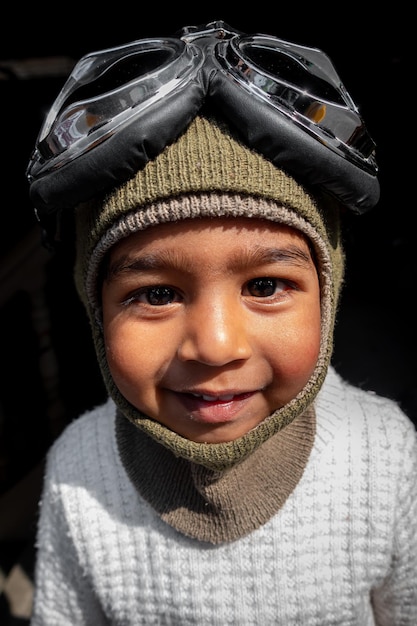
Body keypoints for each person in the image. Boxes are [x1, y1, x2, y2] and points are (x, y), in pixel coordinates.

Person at [26, 21, 417, 625]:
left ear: (330, 293)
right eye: (155, 293)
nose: (215, 346)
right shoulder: (78, 471)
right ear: (93, 305)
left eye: (265, 286)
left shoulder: (384, 454)